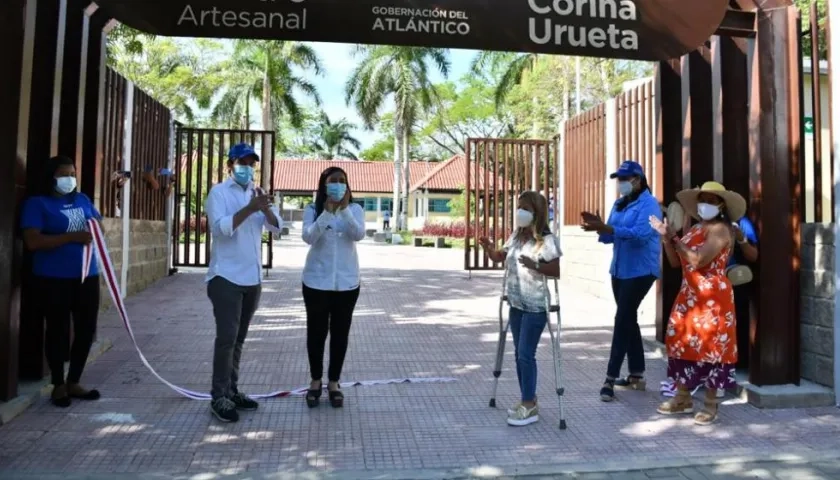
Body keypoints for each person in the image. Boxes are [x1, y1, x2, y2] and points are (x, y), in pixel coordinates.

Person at [649, 181, 746, 426]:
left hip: (712, 298)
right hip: (689, 295)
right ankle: (683, 397)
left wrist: (675, 238)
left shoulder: (722, 230)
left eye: (712, 201)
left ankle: (711, 404)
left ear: (722, 205)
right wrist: (665, 238)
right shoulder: (694, 229)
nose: (705, 205)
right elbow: (675, 261)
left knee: (712, 346)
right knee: (681, 341)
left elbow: (699, 260)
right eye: (703, 200)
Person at [204, 143, 282, 422]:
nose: (247, 168)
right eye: (242, 163)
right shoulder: (219, 193)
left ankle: (232, 390)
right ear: (230, 165)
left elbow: (277, 228)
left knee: (238, 339)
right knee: (226, 338)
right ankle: (219, 396)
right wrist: (250, 208)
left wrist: (266, 208)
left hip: (252, 278)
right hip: (225, 277)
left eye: (251, 164)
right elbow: (221, 230)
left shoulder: (256, 193)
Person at [20, 155, 102, 407]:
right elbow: (32, 241)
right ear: (51, 177)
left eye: (73, 175)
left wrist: (92, 233)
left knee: (86, 329)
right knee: (57, 329)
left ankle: (74, 380)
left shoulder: (82, 199)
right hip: (53, 278)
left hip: (87, 275)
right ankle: (57, 384)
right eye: (63, 175)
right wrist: (71, 237)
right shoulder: (37, 204)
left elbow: (97, 226)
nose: (69, 180)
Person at [580, 160, 662, 402]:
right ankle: (637, 374)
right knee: (629, 317)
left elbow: (641, 236)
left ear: (638, 180)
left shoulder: (650, 204)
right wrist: (599, 227)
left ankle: (609, 379)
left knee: (622, 318)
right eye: (620, 179)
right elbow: (610, 238)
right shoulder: (619, 203)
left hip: (641, 270)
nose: (622, 183)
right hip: (619, 269)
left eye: (626, 179)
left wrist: (609, 228)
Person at [479, 191, 561, 427]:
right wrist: (489, 248)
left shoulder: (546, 240)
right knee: (518, 355)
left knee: (526, 354)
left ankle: (529, 404)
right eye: (518, 207)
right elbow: (499, 257)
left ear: (536, 212)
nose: (520, 212)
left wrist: (535, 264)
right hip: (516, 303)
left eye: (525, 208)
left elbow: (556, 270)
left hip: (535, 306)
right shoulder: (516, 236)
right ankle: (528, 398)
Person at [301, 167, 366, 408]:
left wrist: (345, 210)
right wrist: (326, 213)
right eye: (333, 181)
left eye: (342, 181)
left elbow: (358, 234)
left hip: (347, 284)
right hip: (316, 282)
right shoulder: (312, 209)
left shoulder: (356, 209)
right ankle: (316, 380)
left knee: (340, 334)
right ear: (324, 185)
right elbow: (308, 237)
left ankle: (334, 382)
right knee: (316, 334)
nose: (338, 185)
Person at [729, 215, 758, 370]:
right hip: (710, 285)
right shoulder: (704, 224)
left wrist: (741, 239)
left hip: (736, 281)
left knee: (737, 321)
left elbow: (753, 255)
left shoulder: (742, 223)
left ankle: (736, 363)